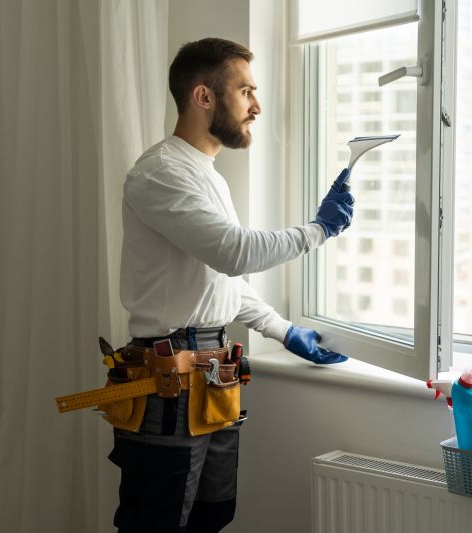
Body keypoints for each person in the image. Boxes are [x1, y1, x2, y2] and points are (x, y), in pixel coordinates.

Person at [110, 37, 354, 533]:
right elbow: (236, 251)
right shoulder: (159, 173)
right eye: (245, 91)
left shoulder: (208, 177)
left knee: (214, 514)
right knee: (157, 522)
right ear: (204, 97)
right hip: (168, 378)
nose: (256, 106)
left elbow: (224, 277)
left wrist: (284, 331)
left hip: (214, 372)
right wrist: (319, 230)